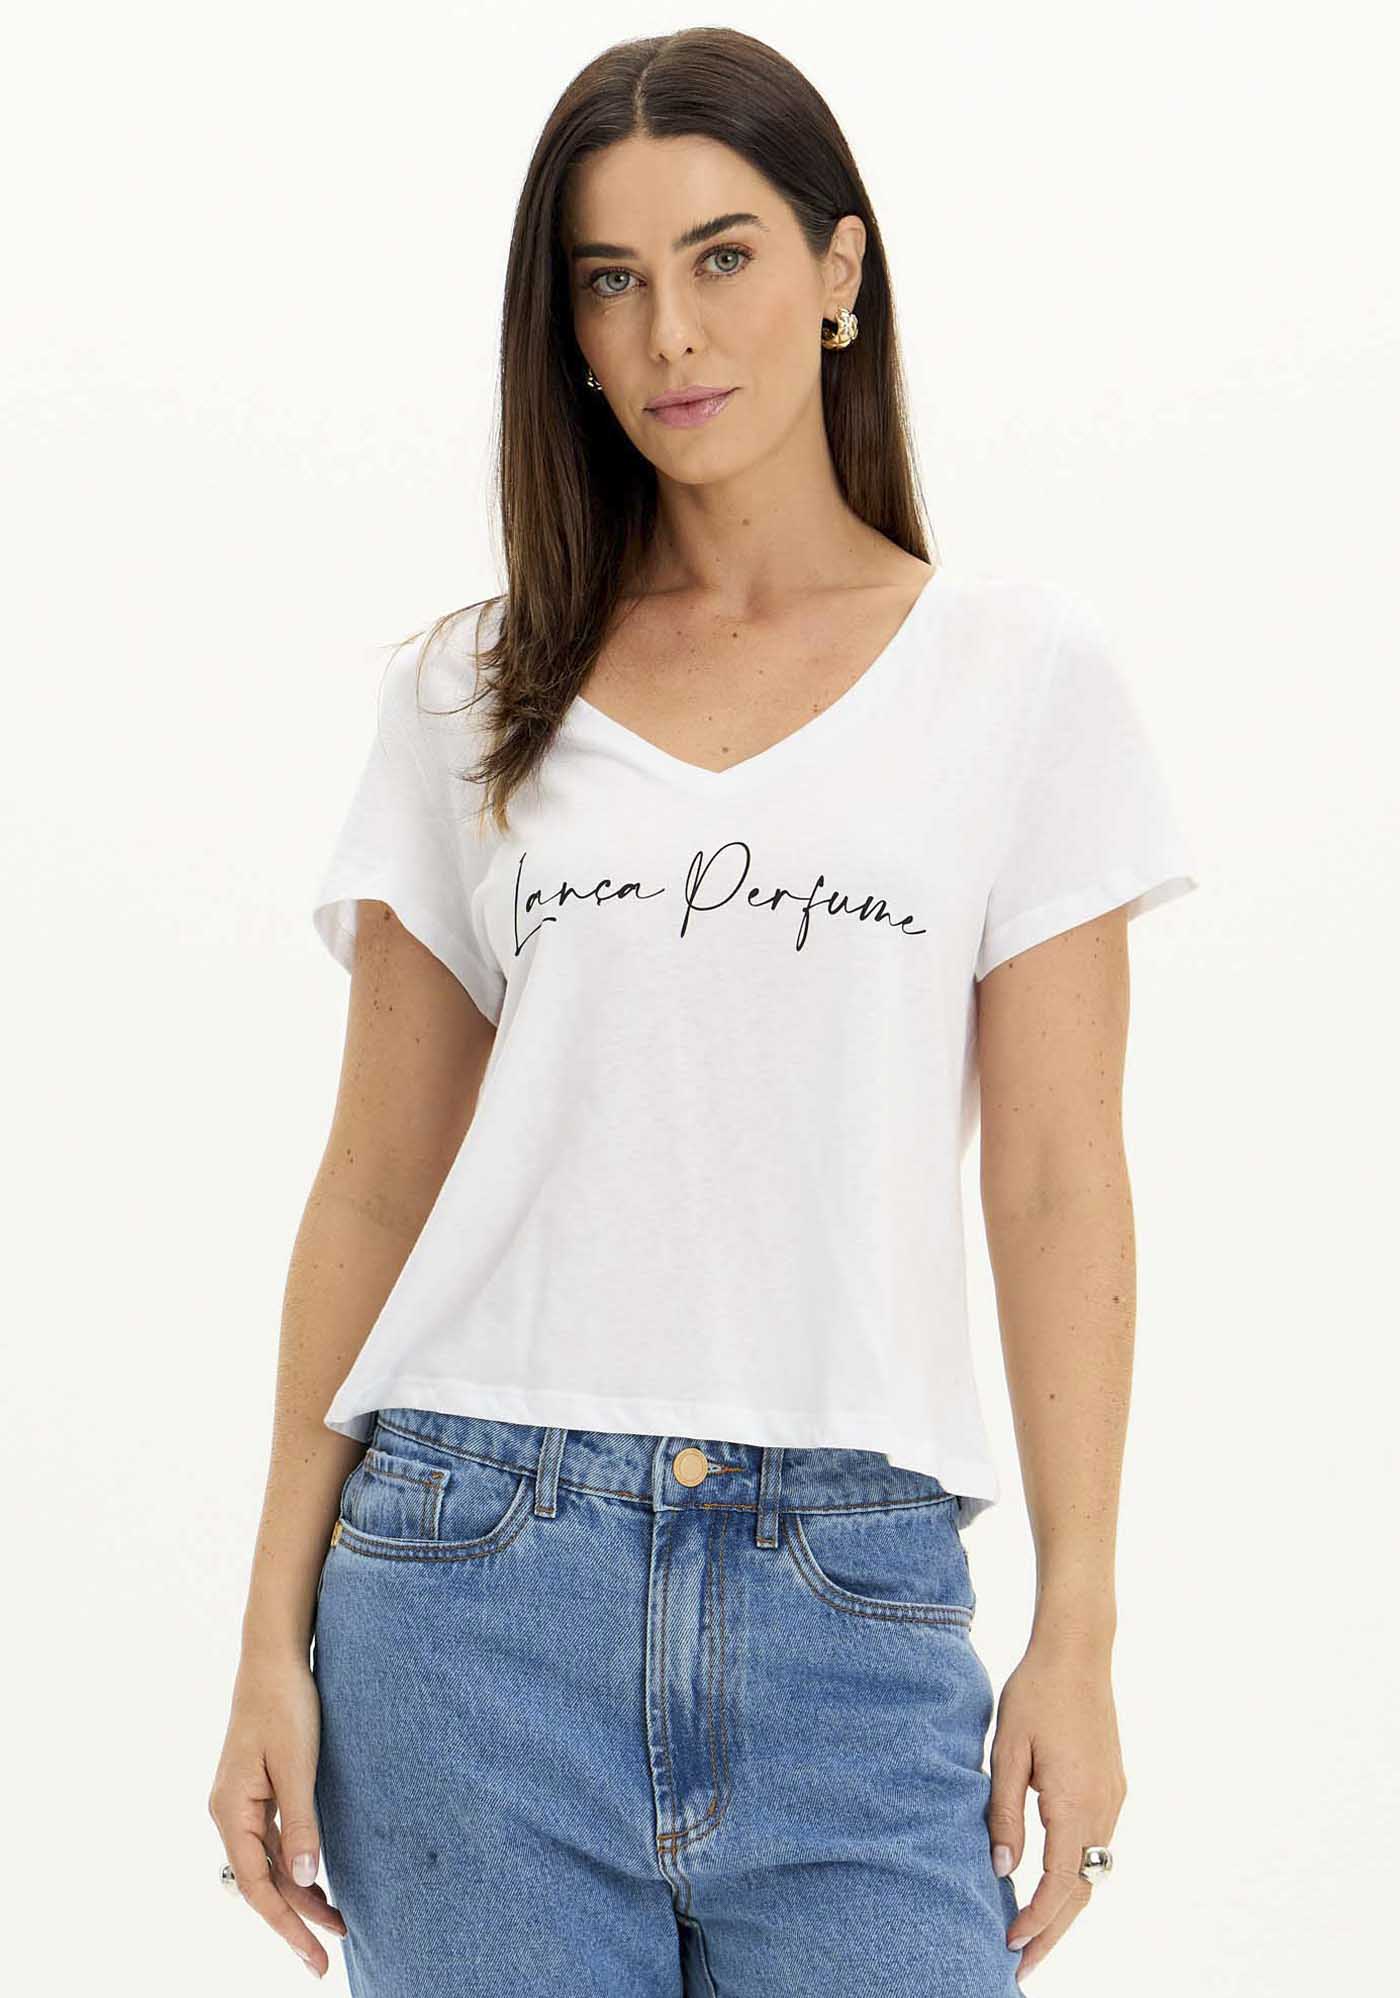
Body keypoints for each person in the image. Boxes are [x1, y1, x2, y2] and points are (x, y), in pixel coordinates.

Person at [208, 27, 1198, 1996]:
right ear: (566, 332)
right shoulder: (471, 691)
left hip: (854, 1602)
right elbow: (376, 1180)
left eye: (723, 255)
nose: (669, 329)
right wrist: (264, 1631)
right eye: (611, 278)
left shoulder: (1017, 681)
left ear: (841, 268)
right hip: (467, 1596)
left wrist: (1076, 1624)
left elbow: (1056, 1184)